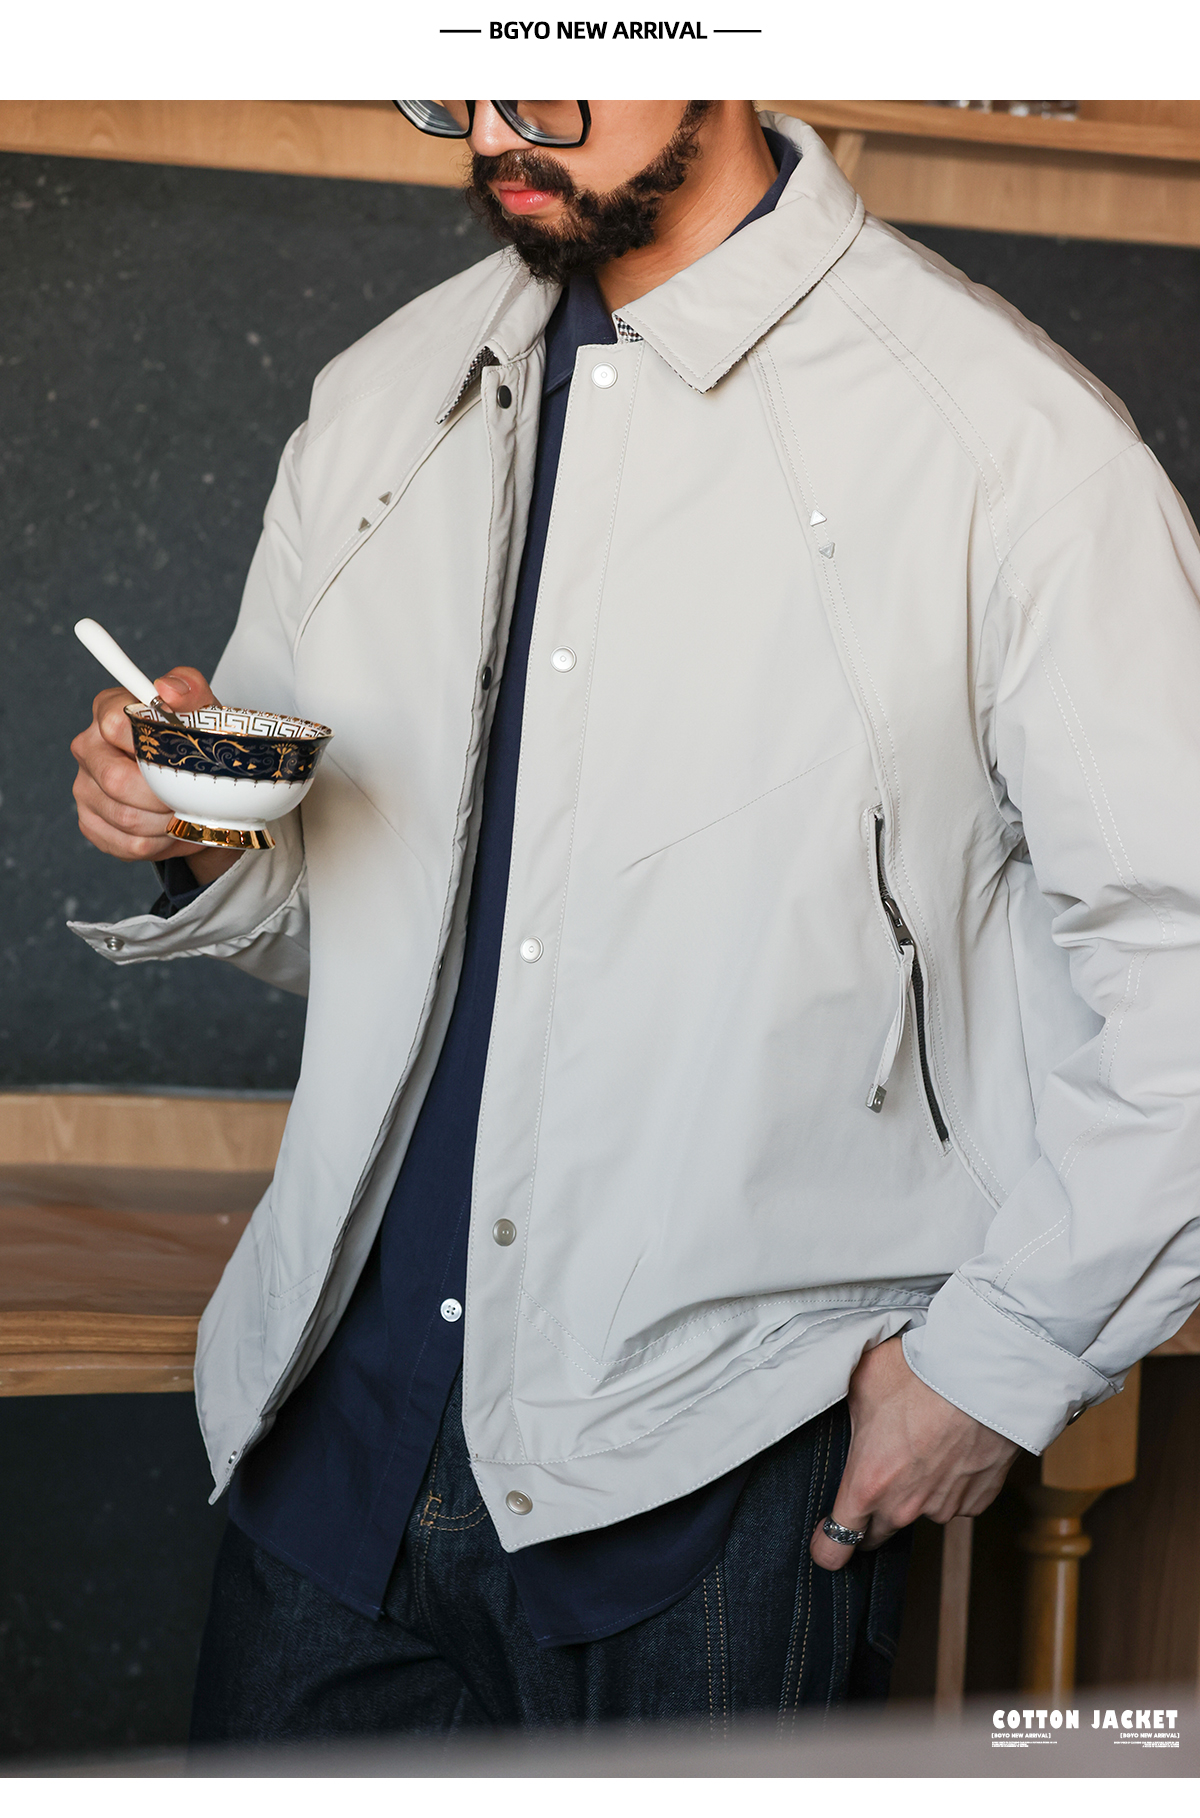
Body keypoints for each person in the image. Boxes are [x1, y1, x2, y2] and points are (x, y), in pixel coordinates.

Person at [68, 101, 1200, 1738]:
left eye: (546, 77)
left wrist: (1003, 1359)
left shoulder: (1008, 440)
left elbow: (1181, 955)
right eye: (456, 83)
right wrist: (194, 834)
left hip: (725, 1484)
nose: (492, 134)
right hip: (334, 1449)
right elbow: (351, 925)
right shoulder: (380, 397)